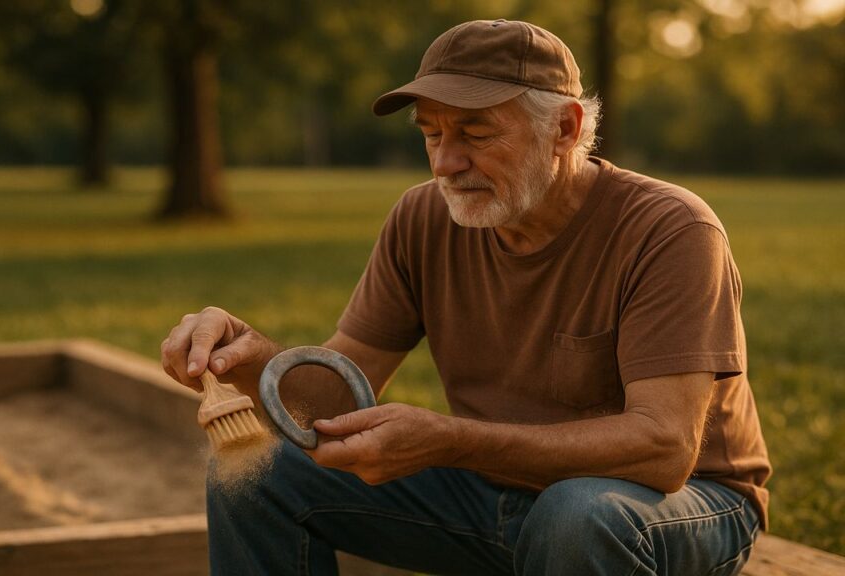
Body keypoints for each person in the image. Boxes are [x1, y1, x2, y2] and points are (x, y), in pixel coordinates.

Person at [160, 19, 771, 576]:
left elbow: (663, 451)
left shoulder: (670, 230)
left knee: (577, 515)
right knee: (259, 473)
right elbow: (333, 397)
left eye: (475, 133)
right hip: (495, 488)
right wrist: (254, 360)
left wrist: (451, 440)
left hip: (675, 504)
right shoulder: (422, 218)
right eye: (431, 134)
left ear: (564, 128)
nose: (445, 164)